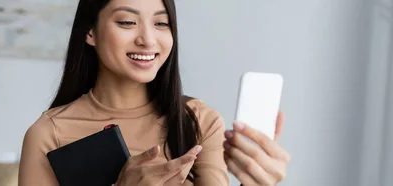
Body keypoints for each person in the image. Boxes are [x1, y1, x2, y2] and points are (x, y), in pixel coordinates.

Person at [18, 0, 290, 185]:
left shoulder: (198, 121)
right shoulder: (47, 134)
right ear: (90, 31)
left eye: (161, 24)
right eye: (126, 22)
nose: (148, 39)